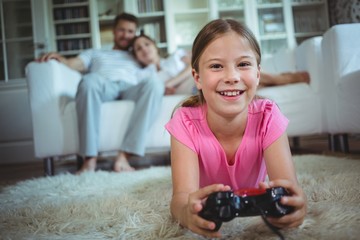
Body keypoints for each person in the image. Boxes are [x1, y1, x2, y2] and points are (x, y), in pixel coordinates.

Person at [165, 19, 307, 238]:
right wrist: (186, 212)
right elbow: (180, 198)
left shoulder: (268, 116)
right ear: (197, 78)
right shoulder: (185, 121)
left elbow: (288, 189)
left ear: (258, 75)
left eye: (243, 64)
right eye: (216, 66)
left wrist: (295, 206)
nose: (231, 77)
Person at [37, 13, 164, 173]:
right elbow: (75, 63)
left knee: (154, 84)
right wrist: (60, 59)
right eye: (121, 30)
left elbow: (158, 65)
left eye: (130, 31)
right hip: (104, 85)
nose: (126, 35)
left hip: (131, 88)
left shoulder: (138, 54)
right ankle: (89, 159)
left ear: (135, 33)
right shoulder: (95, 53)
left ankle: (124, 156)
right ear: (113, 31)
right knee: (89, 81)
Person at [131, 34, 310, 96]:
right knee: (235, 85)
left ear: (154, 46)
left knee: (228, 75)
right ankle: (280, 79)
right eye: (139, 49)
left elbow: (195, 64)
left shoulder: (176, 56)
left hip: (199, 78)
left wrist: (170, 84)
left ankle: (278, 79)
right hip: (194, 88)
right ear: (137, 56)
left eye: (146, 44)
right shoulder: (146, 75)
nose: (144, 50)